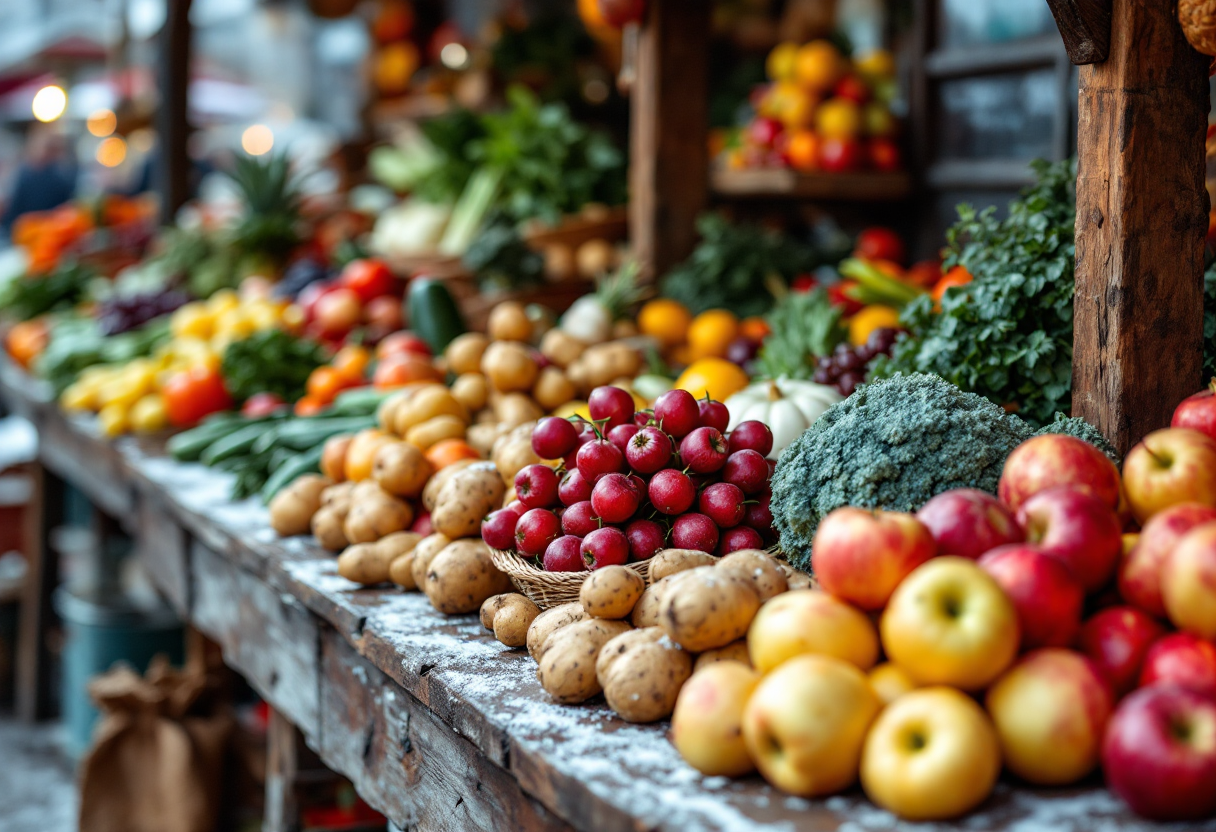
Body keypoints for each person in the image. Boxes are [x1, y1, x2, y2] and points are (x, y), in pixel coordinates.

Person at [0, 124, 78, 241]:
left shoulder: (61, 179)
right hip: (21, 234)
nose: (45, 152)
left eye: (51, 148)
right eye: (44, 147)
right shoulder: (21, 175)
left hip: (49, 235)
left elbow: (66, 211)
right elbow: (11, 212)